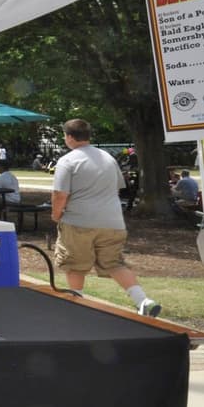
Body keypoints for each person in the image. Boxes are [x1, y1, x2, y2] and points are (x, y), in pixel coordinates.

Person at [52, 119, 160, 318]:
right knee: (114, 263)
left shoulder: (67, 161)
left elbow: (60, 195)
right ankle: (143, 300)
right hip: (112, 222)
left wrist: (56, 215)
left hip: (79, 221)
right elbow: (118, 187)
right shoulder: (108, 158)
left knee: (75, 264)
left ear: (69, 137)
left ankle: (77, 303)